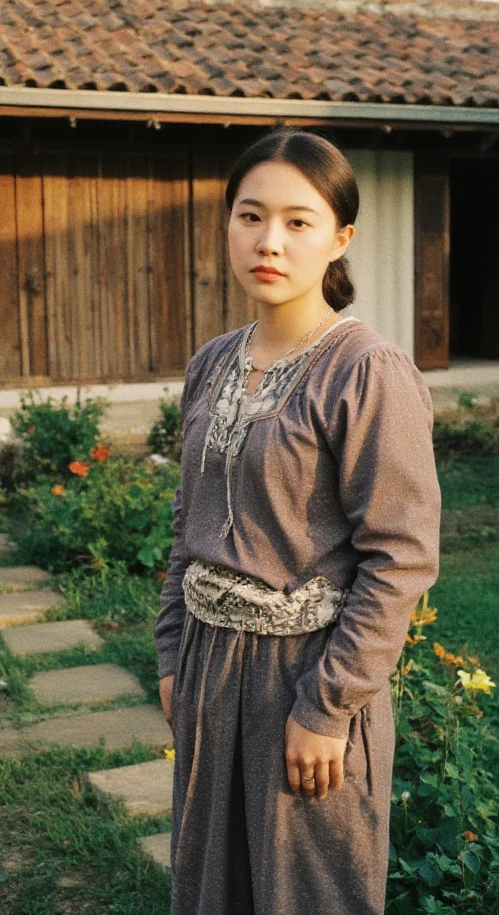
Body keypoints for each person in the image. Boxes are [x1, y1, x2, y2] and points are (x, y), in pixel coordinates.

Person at [154, 128, 441, 915]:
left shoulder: (366, 371)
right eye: (250, 216)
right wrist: (175, 652)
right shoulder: (211, 363)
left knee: (307, 890)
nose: (268, 241)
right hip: (211, 672)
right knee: (217, 885)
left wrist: (327, 707)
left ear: (340, 237)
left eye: (298, 221)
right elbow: (191, 522)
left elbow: (401, 557)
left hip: (306, 676)